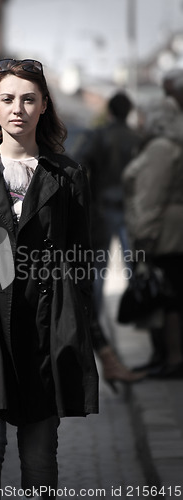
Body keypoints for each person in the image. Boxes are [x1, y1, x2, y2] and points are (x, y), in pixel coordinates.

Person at [0, 58, 99, 499]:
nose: (18, 108)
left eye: (29, 99)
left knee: (40, 456)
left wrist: (77, 318)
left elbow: (82, 256)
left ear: (44, 105)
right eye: (7, 98)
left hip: (45, 331)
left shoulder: (68, 176)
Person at [123, 96, 183, 378]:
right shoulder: (167, 145)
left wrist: (143, 240)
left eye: (143, 116)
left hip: (163, 235)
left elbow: (150, 197)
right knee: (166, 294)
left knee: (164, 295)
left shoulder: (160, 148)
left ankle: (171, 358)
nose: (139, 122)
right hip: (170, 231)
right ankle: (165, 357)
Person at [74, 91, 140, 314]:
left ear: (110, 111)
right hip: (132, 209)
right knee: (134, 265)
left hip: (102, 207)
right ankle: (139, 313)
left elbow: (78, 163)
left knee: (98, 268)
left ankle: (94, 319)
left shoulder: (99, 135)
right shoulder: (137, 138)